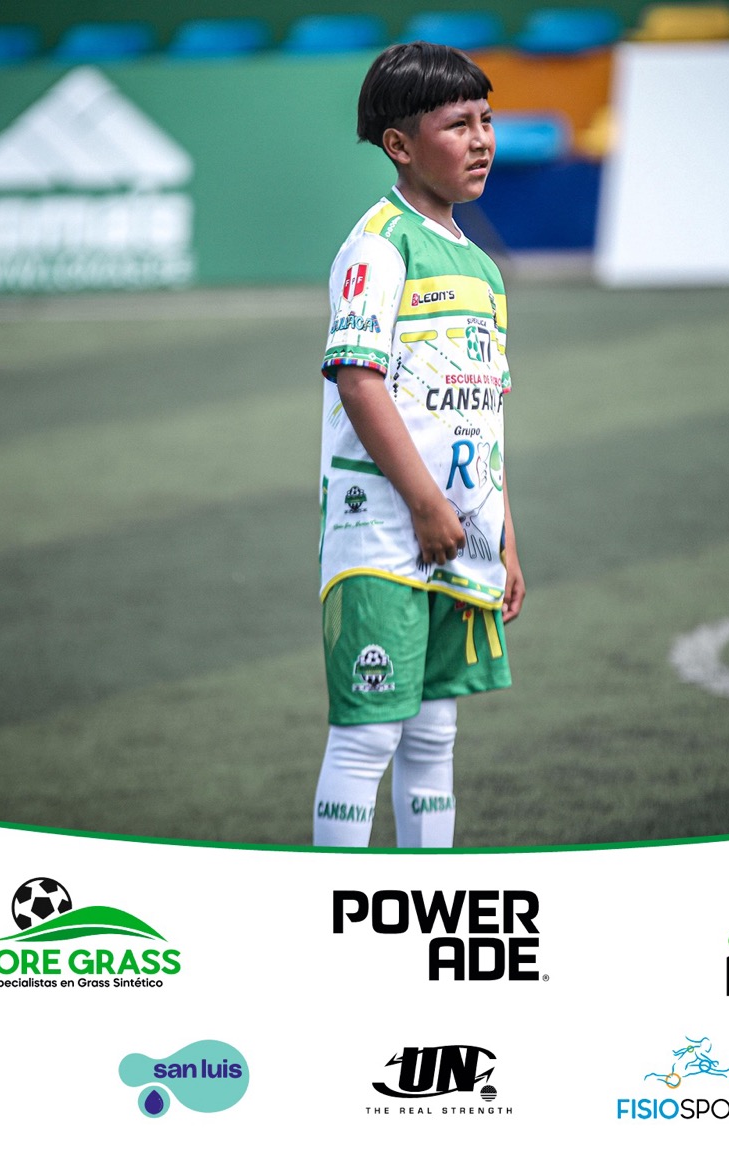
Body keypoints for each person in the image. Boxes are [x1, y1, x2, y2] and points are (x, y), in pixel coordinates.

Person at [312, 41, 525, 849]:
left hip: (461, 535)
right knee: (368, 735)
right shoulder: (379, 244)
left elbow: (485, 419)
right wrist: (428, 504)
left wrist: (504, 536)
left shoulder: (483, 269)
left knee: (435, 735)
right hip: (382, 532)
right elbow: (358, 381)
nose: (481, 140)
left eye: (486, 120)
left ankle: (423, 892)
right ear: (399, 145)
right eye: (458, 125)